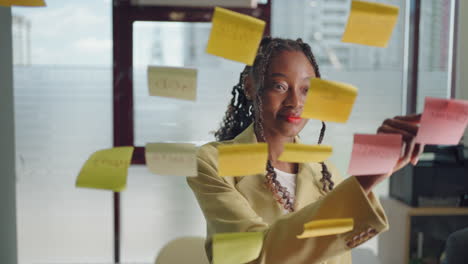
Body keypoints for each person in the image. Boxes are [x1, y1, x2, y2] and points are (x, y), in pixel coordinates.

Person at [187, 37, 423, 264]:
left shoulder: (325, 171)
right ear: (250, 86)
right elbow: (254, 255)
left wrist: (373, 169)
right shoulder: (213, 162)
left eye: (306, 90)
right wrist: (362, 182)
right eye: (279, 86)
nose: (295, 102)